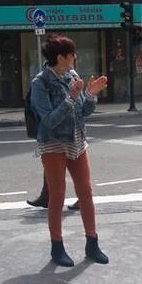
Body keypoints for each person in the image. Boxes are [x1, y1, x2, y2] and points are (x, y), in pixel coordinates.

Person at [30, 34, 108, 267]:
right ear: (60, 57)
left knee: (86, 191)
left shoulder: (72, 75)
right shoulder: (40, 83)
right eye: (71, 53)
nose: (75, 57)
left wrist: (91, 95)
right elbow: (48, 121)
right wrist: (71, 98)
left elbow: (83, 112)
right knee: (57, 195)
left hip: (77, 141)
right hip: (53, 144)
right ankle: (57, 247)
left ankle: (92, 243)